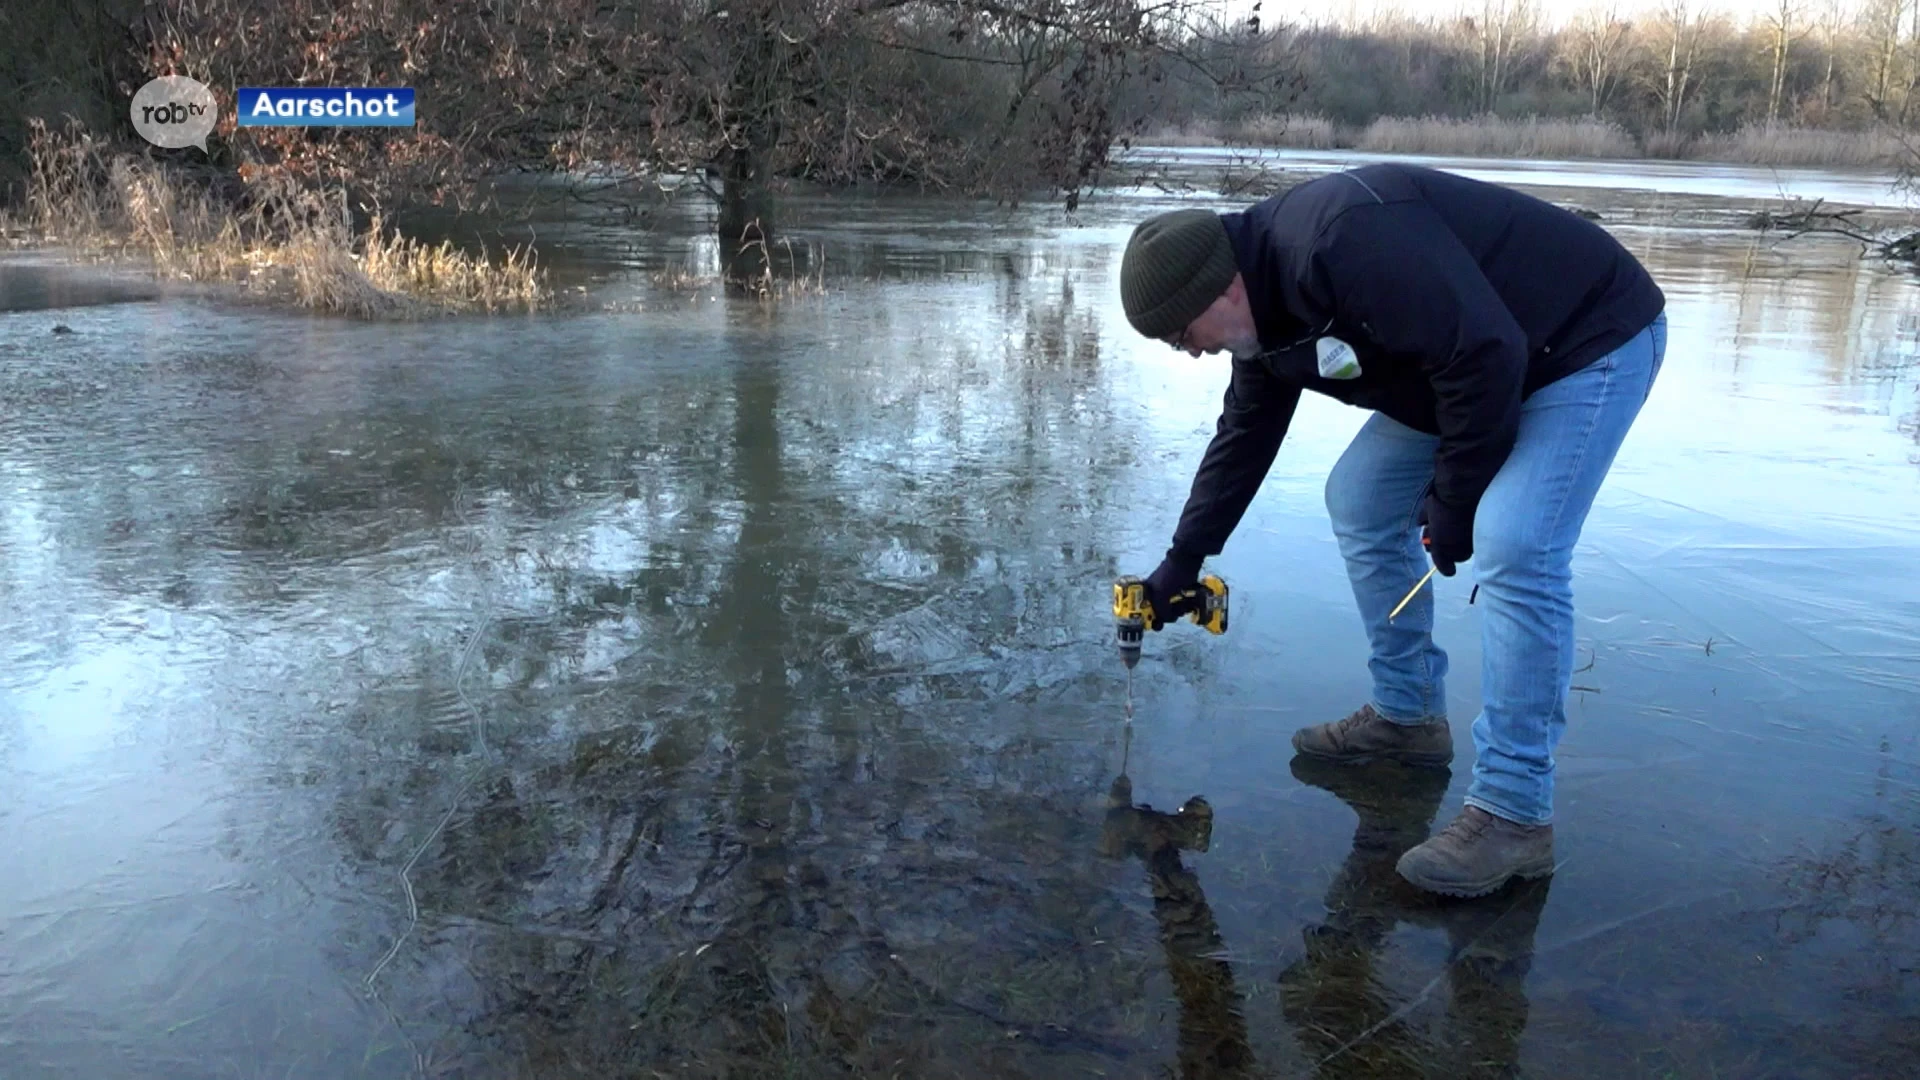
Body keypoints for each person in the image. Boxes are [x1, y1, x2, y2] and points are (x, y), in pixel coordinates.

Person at [1118, 162, 1666, 898]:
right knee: (1359, 496)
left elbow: (1485, 352)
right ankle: (1407, 716)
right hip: (1476, 356)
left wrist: (1454, 499)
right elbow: (1245, 432)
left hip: (1583, 337)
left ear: (1220, 289)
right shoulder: (1262, 314)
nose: (1191, 351)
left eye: (1184, 334)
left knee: (1514, 543)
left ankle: (1514, 812)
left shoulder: (1342, 242)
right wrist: (1182, 561)